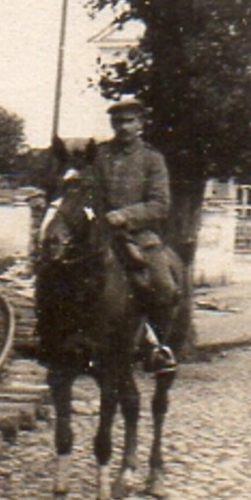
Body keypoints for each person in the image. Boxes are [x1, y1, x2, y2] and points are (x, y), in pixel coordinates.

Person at [100, 98, 180, 372]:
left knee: (164, 287)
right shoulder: (99, 155)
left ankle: (158, 347)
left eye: (129, 121)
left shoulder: (152, 159)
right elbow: (85, 195)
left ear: (140, 124)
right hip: (99, 233)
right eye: (118, 121)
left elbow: (160, 205)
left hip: (139, 235)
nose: (123, 127)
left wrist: (126, 216)